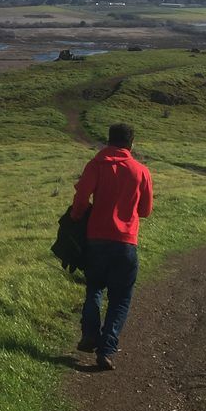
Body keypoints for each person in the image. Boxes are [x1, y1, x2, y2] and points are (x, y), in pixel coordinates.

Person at [71, 122, 153, 370]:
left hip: (95, 240)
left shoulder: (95, 165)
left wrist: (77, 217)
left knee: (94, 288)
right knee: (120, 298)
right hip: (126, 243)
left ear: (108, 140)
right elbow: (146, 211)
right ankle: (106, 349)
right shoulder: (141, 171)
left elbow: (81, 199)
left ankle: (90, 334)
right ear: (131, 143)